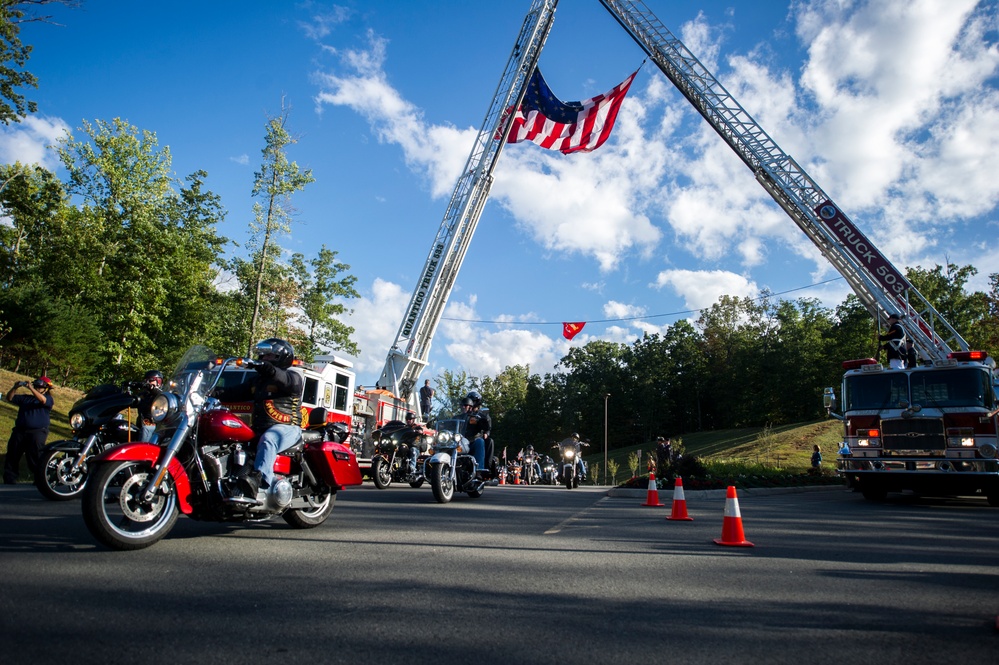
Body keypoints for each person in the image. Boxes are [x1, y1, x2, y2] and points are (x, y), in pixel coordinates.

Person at [214, 338, 303, 499]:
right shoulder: (257, 382)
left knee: (269, 439)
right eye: (263, 356)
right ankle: (233, 482)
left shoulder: (293, 377)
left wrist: (264, 367)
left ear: (280, 357)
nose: (263, 358)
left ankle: (260, 483)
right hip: (260, 427)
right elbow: (232, 393)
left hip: (287, 427)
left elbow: (280, 378)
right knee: (233, 440)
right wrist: (208, 391)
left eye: (268, 356)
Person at [3, 376, 54, 484]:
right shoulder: (26, 398)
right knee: (13, 454)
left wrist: (31, 388)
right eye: (36, 386)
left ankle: (39, 479)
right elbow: (9, 398)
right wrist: (15, 387)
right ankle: (9, 478)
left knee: (35, 456)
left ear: (46, 388)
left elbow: (42, 400)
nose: (37, 388)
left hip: (37, 432)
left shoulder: (48, 399)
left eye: (40, 387)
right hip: (20, 431)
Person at [462, 391, 493, 477]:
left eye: (472, 401)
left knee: (480, 441)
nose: (469, 403)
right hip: (462, 440)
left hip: (474, 440)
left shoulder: (482, 415)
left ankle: (479, 470)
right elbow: (451, 423)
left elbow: (487, 427)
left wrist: (486, 431)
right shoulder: (463, 415)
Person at [135, 369, 163, 442]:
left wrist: (153, 389)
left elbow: (160, 394)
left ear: (158, 382)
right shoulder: (144, 395)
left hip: (156, 426)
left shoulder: (163, 396)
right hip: (141, 425)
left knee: (146, 429)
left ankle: (142, 452)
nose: (147, 383)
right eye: (146, 381)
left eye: (150, 380)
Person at [403, 411, 423, 478]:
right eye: (407, 419)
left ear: (413, 420)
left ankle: (412, 469)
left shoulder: (416, 427)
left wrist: (419, 431)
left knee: (413, 450)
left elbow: (421, 431)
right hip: (405, 447)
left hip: (415, 447)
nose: (408, 420)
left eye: (410, 419)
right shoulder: (404, 428)